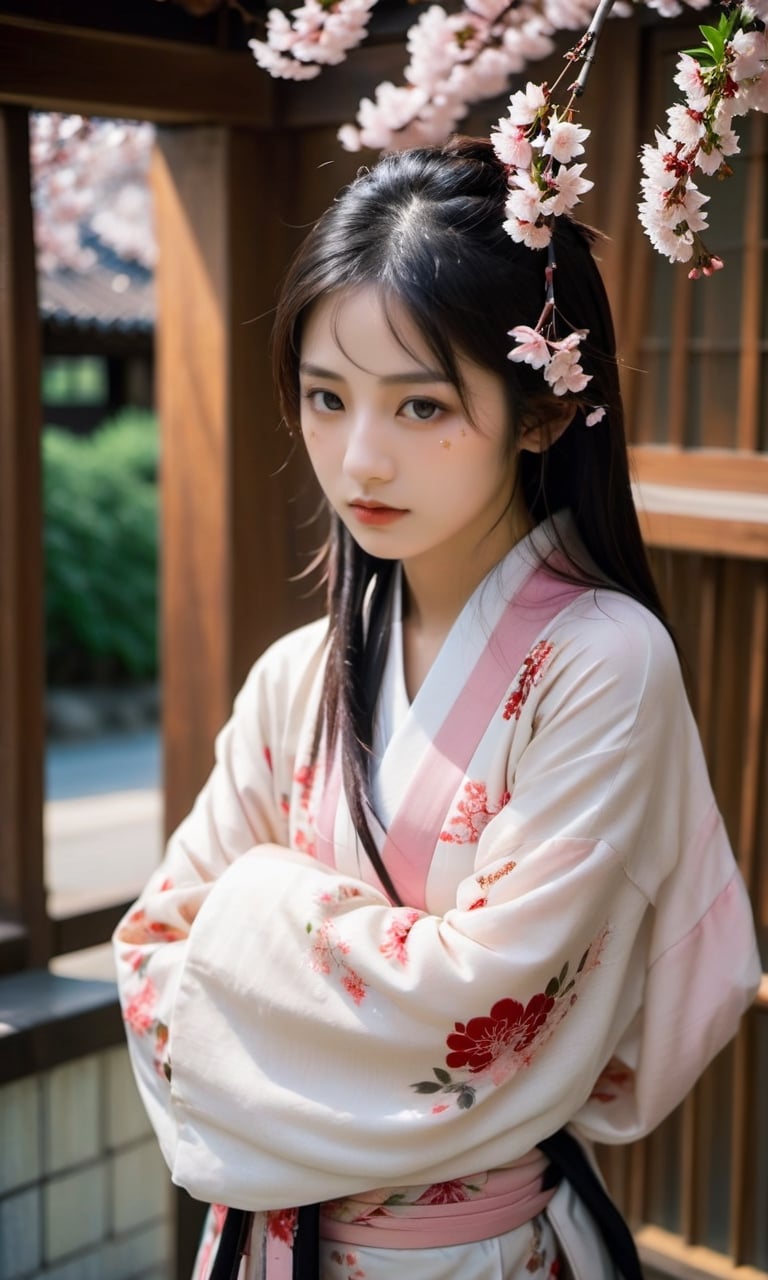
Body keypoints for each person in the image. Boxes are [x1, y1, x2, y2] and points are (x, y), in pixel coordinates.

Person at [114, 136, 761, 1280]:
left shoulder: (603, 668)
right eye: (326, 396)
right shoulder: (297, 676)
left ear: (544, 415)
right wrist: (348, 970)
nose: (359, 457)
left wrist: (258, 911)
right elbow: (151, 956)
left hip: (475, 1253)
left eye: (420, 405)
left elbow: (480, 1002)